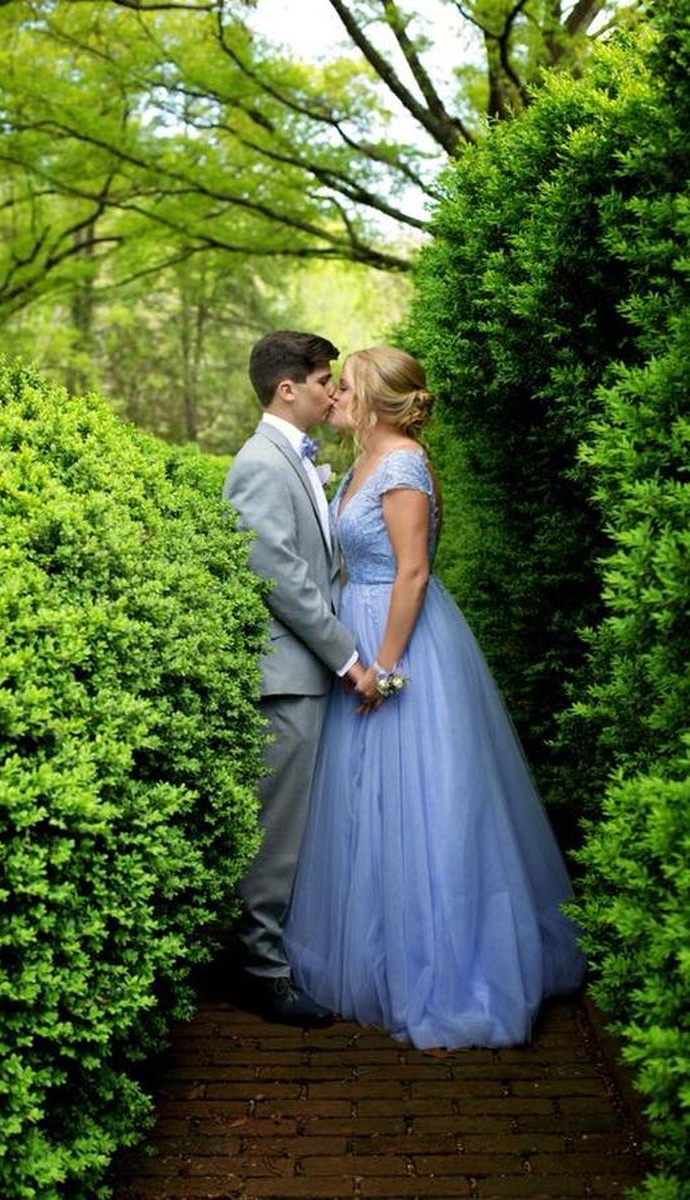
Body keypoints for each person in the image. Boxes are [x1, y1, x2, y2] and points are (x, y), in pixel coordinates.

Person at [283, 345, 585, 1048]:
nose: (336, 399)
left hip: (403, 643)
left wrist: (384, 667)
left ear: (377, 401)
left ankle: (447, 970)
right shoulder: (361, 460)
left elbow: (413, 573)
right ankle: (374, 951)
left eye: (346, 388)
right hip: (357, 636)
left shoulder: (403, 465)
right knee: (362, 805)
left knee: (426, 802)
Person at [224, 330, 367, 1027]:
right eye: (322, 382)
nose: (330, 391)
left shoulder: (296, 458)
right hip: (288, 674)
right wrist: (347, 654)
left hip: (306, 673)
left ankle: (273, 955)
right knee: (274, 832)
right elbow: (276, 573)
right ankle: (260, 971)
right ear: (289, 389)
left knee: (295, 828)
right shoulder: (259, 462)